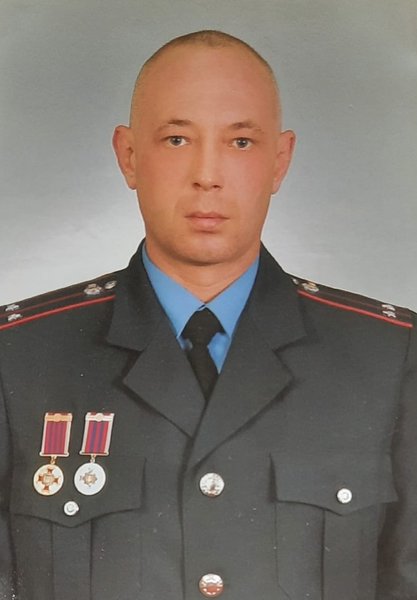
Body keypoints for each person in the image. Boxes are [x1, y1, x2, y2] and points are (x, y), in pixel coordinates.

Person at [0, 30, 416, 600]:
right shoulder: (18, 357)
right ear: (128, 156)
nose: (208, 174)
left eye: (241, 142)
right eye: (176, 139)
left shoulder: (389, 357)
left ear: (280, 161)